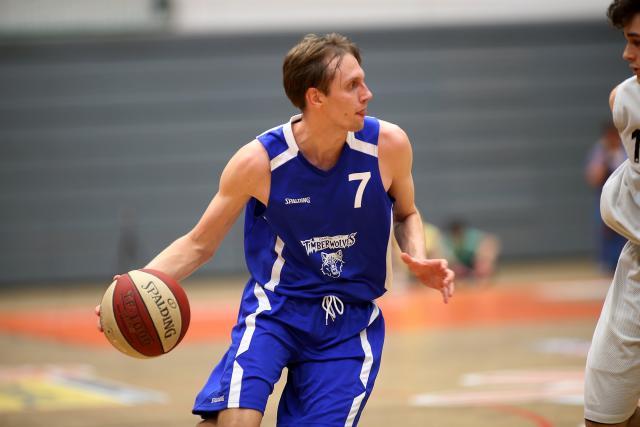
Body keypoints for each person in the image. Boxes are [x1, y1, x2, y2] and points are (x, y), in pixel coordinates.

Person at [95, 33, 455, 427]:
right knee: (236, 421)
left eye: (363, 81)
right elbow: (198, 244)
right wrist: (134, 285)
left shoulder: (388, 145)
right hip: (276, 310)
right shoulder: (259, 162)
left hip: (348, 322)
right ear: (316, 97)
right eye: (352, 85)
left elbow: (406, 214)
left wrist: (418, 258)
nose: (367, 94)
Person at [584, 2, 640, 426]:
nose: (626, 54)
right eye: (626, 41)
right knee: (604, 413)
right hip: (636, 260)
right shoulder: (624, 99)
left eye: (637, 42)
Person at [585, 122, 627, 273]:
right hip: (605, 200)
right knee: (606, 231)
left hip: (625, 201)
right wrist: (605, 159)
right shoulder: (600, 151)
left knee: (625, 232)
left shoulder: (627, 149)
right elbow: (593, 178)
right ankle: (606, 263)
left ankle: (624, 264)